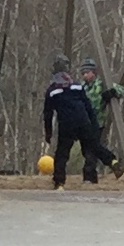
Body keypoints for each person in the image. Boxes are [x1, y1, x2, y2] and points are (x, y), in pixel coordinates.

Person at [44, 58, 118, 187]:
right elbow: (87, 106)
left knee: (62, 153)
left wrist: (48, 133)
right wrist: (93, 124)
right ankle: (113, 162)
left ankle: (59, 182)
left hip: (66, 123)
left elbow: (48, 114)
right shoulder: (77, 85)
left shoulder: (52, 90)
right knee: (94, 146)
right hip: (83, 120)